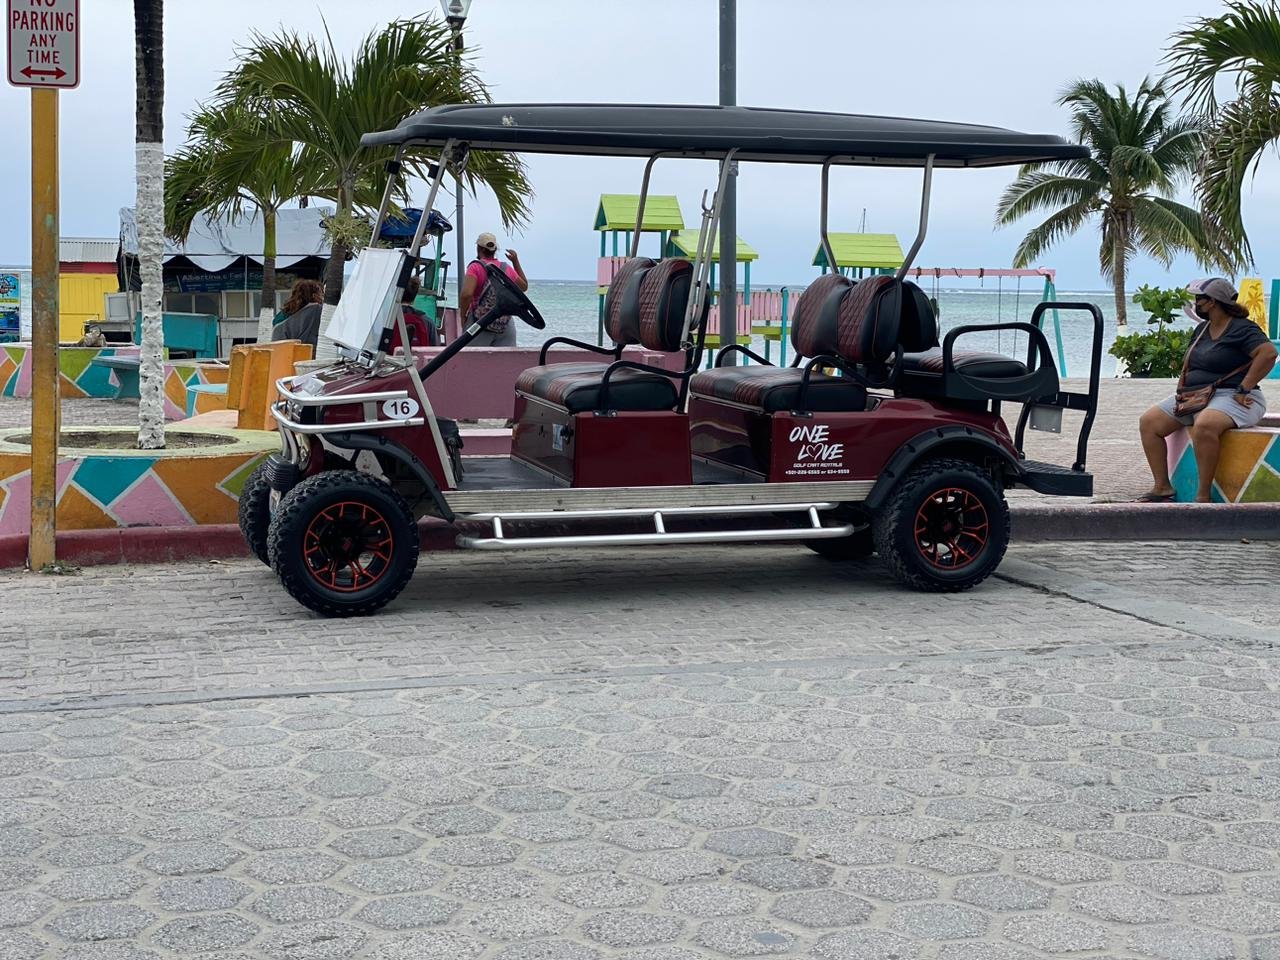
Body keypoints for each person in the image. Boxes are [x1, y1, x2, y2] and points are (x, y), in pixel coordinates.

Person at [1138, 277, 1278, 502]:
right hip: (1198, 396)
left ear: (1213, 302)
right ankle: (1162, 486)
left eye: (1199, 300)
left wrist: (1244, 387)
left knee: (1205, 424)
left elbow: (1269, 353)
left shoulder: (1243, 328)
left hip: (1236, 396)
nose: (1196, 304)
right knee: (1149, 422)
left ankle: (1203, 495)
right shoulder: (1203, 329)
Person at [458, 232, 528, 346]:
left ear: (478, 248)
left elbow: (466, 294)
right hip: (504, 324)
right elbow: (524, 287)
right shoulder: (506, 268)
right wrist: (515, 261)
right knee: (505, 361)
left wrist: (462, 316)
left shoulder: (475, 267)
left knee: (472, 359)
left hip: (480, 322)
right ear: (495, 250)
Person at [389, 276, 438, 352]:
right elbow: (434, 350)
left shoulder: (387, 319)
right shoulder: (428, 322)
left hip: (389, 362)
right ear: (415, 296)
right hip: (420, 363)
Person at [272, 279, 325, 347]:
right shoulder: (317, 311)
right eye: (321, 293)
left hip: (283, 351)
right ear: (315, 295)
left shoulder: (283, 314)